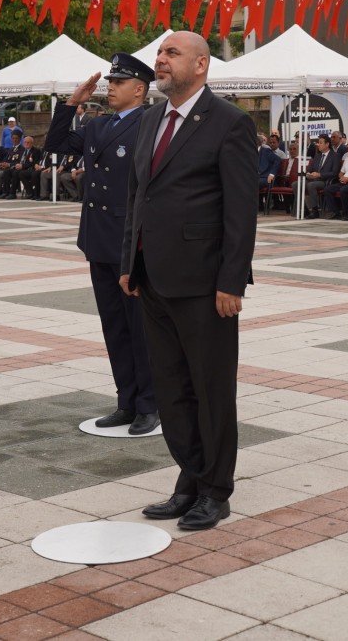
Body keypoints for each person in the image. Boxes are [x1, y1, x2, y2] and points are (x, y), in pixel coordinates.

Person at [120, 31, 256, 532]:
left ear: (200, 65)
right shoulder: (151, 118)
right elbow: (140, 196)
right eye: (159, 53)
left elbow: (241, 211)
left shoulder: (230, 123)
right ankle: (190, 478)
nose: (160, 60)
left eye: (171, 53)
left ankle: (215, 491)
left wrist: (232, 282)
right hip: (152, 277)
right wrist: (127, 263)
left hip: (204, 284)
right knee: (173, 389)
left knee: (211, 389)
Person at [46, 54, 160, 434]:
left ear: (139, 89)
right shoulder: (99, 125)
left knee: (139, 327)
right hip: (97, 238)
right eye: (110, 80)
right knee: (114, 326)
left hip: (131, 242)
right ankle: (126, 400)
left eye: (118, 81)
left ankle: (149, 403)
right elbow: (57, 144)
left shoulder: (152, 123)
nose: (110, 86)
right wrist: (72, 102)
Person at [302, 134, 339, 219]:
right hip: (314, 179)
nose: (318, 144)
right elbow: (311, 168)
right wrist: (308, 174)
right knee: (297, 184)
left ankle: (314, 210)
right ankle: (304, 208)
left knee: (311, 185)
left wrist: (320, 175)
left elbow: (334, 173)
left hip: (326, 181)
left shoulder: (335, 156)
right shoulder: (317, 156)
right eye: (318, 143)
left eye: (321, 143)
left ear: (327, 144)